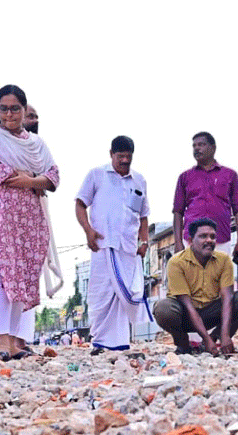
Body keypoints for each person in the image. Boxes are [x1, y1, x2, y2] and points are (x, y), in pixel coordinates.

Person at [0, 85, 62, 361]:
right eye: (4, 108)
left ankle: (16, 342)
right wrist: (31, 177)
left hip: (29, 216)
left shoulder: (35, 144)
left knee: (22, 276)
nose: (9, 114)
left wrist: (30, 180)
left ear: (24, 109)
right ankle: (2, 341)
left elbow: (54, 175)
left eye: (15, 108)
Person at [75, 135, 152, 355]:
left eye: (128, 158)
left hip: (127, 249)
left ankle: (119, 343)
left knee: (124, 295)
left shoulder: (139, 181)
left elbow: (143, 216)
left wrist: (144, 241)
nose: (124, 161)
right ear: (111, 154)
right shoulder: (97, 175)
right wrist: (88, 230)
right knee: (101, 294)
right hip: (103, 246)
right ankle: (99, 342)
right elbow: (80, 204)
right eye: (121, 157)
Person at [153, 218, 238, 356]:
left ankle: (217, 339)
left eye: (212, 237)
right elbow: (186, 304)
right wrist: (205, 338)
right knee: (163, 308)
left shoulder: (224, 260)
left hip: (211, 312)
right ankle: (183, 343)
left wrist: (225, 335)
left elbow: (228, 298)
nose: (209, 240)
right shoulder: (176, 262)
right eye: (203, 236)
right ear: (190, 241)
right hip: (185, 315)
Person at [173, 132, 238, 262]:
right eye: (194, 146)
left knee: (220, 281)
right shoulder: (185, 177)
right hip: (191, 241)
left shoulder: (230, 175)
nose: (196, 148)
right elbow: (178, 212)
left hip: (221, 240)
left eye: (201, 144)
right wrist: (178, 243)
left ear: (213, 148)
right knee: (191, 281)